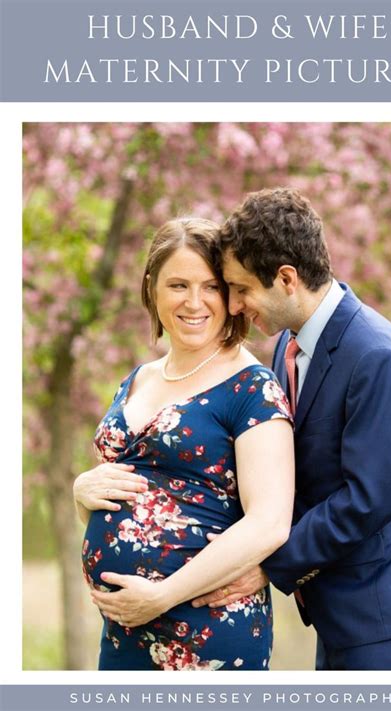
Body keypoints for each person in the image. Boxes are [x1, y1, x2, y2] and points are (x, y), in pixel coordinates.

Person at [192, 187, 391, 671]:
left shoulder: (376, 358)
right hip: (342, 619)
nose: (232, 306)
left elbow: (368, 500)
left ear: (286, 278)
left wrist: (270, 563)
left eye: (242, 289)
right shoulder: (287, 344)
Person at [73, 217, 294, 671]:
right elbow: (130, 494)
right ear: (152, 288)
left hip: (205, 629)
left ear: (230, 295)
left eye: (210, 287)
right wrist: (82, 491)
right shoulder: (137, 378)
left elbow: (269, 522)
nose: (194, 302)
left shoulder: (253, 386)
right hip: (124, 632)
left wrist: (161, 596)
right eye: (178, 285)